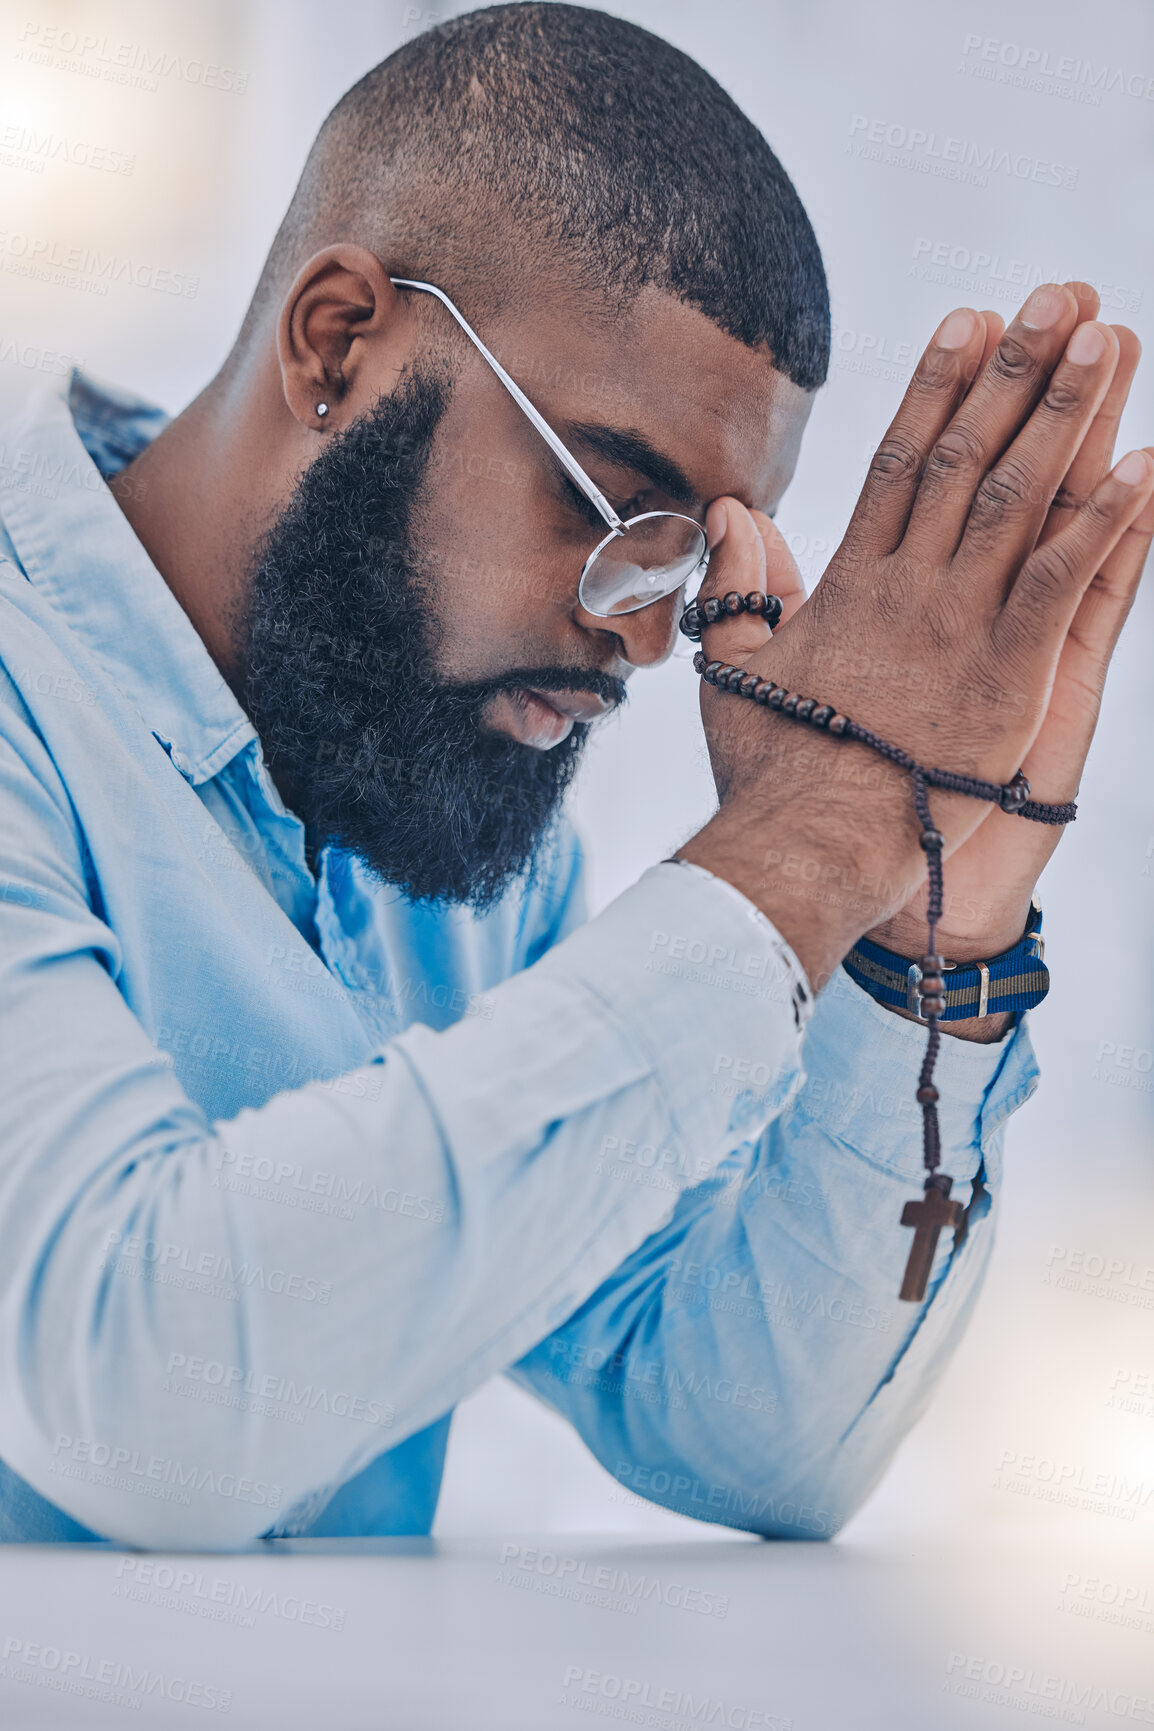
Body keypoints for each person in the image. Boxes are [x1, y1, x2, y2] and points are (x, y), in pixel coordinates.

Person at [0, 2, 1149, 1548]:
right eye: (614, 504)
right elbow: (140, 1394)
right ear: (337, 343)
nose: (647, 638)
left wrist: (917, 951)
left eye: (694, 557)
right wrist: (800, 852)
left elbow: (747, 1435)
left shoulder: (423, 764)